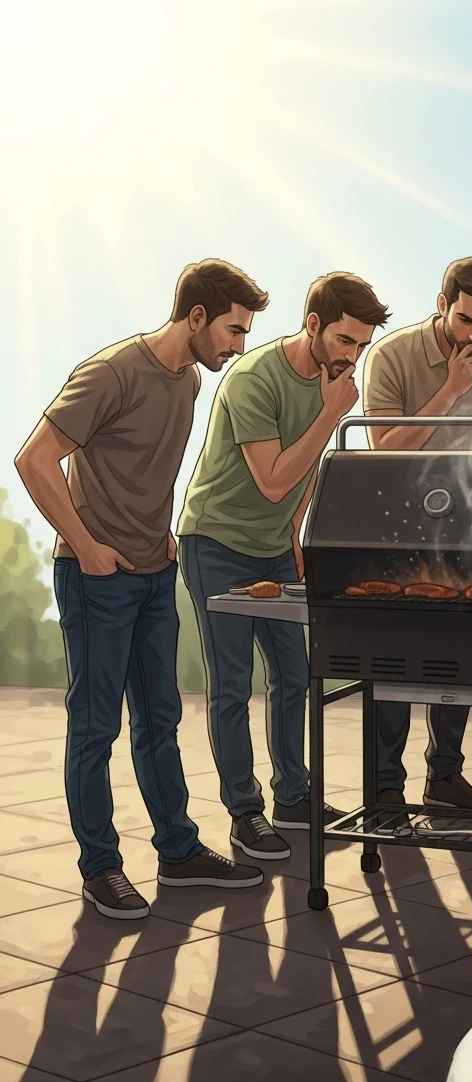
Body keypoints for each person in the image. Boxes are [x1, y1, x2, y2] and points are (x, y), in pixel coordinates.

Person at [14, 259, 270, 920]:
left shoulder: (188, 380)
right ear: (196, 316)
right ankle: (101, 867)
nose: (239, 345)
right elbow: (34, 460)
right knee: (95, 725)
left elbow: (146, 468)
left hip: (155, 575)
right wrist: (87, 545)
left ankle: (178, 854)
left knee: (160, 720)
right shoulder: (111, 373)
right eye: (234, 330)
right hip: (96, 579)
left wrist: (162, 535)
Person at [178, 272, 390, 860]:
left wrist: (295, 531)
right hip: (216, 541)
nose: (352, 357)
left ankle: (293, 797)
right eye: (345, 341)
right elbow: (272, 480)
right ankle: (244, 814)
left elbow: (306, 472)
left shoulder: (329, 380)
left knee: (294, 674)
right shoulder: (254, 378)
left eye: (362, 345)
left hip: (274, 547)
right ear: (314, 325)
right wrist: (331, 413)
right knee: (231, 685)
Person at [363, 256, 472, 812]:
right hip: (396, 525)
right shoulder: (392, 355)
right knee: (393, 659)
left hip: (466, 526)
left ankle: (444, 777)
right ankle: (385, 786)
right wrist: (451, 392)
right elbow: (383, 448)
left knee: (459, 655)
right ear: (442, 305)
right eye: (466, 320)